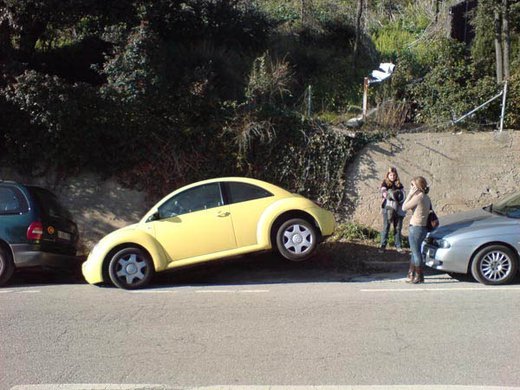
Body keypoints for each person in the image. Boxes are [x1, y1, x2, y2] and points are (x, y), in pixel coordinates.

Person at [402, 176, 431, 284]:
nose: (411, 187)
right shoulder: (426, 197)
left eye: (412, 185)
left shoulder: (419, 197)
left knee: (416, 252)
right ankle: (412, 274)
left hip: (416, 227)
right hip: (423, 228)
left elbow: (403, 207)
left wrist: (409, 194)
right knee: (415, 252)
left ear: (418, 186)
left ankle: (419, 276)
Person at [379, 167, 406, 253]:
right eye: (391, 175)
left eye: (394, 175)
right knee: (386, 226)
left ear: (396, 175)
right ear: (388, 175)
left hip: (398, 208)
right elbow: (384, 192)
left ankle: (398, 246)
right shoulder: (385, 183)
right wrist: (391, 194)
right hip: (388, 208)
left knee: (397, 227)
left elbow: (402, 194)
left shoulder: (399, 184)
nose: (392, 176)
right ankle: (383, 245)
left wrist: (400, 197)